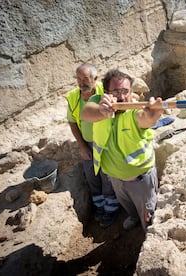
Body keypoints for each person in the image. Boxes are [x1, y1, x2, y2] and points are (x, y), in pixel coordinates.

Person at [81, 69, 163, 231]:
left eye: (125, 91)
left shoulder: (133, 111)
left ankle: (147, 231)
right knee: (128, 207)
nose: (122, 96)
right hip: (115, 179)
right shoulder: (98, 102)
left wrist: (151, 117)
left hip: (140, 181)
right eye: (116, 91)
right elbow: (86, 113)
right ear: (106, 93)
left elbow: (144, 118)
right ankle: (133, 217)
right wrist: (101, 112)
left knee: (147, 214)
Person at [65, 63, 119, 228]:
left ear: (95, 79)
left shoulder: (106, 92)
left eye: (86, 79)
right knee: (92, 178)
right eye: (78, 78)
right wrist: (82, 146)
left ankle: (111, 211)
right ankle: (100, 207)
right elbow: (72, 122)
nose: (81, 82)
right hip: (88, 144)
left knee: (107, 178)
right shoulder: (74, 97)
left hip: (106, 144)